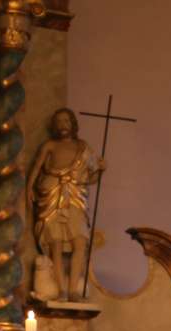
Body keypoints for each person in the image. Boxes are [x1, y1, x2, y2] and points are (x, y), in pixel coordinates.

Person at [27, 107, 104, 301]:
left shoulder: (83, 147)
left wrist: (101, 170)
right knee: (56, 246)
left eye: (66, 121)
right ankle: (61, 290)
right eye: (59, 122)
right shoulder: (50, 145)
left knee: (80, 242)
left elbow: (90, 178)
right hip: (53, 194)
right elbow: (36, 168)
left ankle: (74, 291)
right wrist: (29, 187)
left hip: (76, 196)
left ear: (73, 124)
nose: (63, 125)